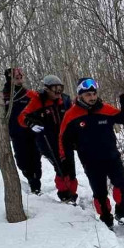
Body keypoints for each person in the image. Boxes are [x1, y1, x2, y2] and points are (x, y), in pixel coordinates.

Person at [59, 78, 124, 228]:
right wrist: (64, 159)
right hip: (91, 162)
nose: (92, 97)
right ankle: (106, 220)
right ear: (80, 95)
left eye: (94, 93)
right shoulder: (71, 115)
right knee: (100, 194)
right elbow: (63, 139)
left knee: (123, 187)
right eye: (88, 95)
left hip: (112, 157)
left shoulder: (105, 109)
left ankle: (121, 213)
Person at [19, 75, 78, 204]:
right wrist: (30, 122)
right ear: (46, 89)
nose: (58, 92)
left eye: (60, 88)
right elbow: (22, 117)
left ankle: (72, 193)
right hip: (47, 141)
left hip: (65, 139)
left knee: (70, 168)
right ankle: (64, 194)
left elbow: (76, 113)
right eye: (55, 88)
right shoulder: (38, 101)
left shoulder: (65, 100)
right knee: (60, 167)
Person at [2, 67, 41, 194]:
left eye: (20, 78)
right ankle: (29, 177)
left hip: (31, 132)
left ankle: (36, 185)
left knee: (35, 158)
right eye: (16, 78)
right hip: (16, 133)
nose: (19, 81)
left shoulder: (28, 94)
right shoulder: (3, 96)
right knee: (22, 160)